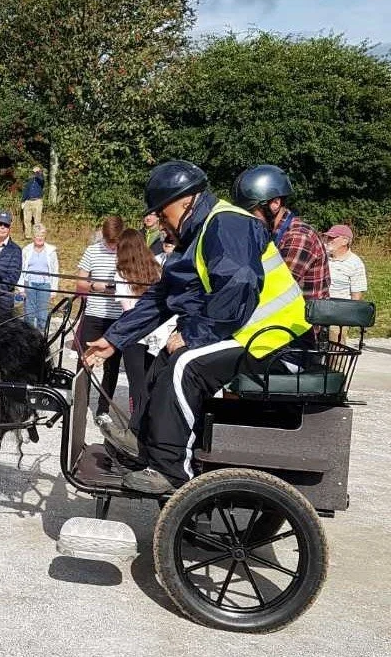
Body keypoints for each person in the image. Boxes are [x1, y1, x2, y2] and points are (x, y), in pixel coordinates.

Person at [85, 160, 310, 494]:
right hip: (247, 334)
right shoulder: (198, 234)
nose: (160, 221)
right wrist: (115, 339)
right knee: (165, 358)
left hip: (278, 343)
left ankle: (172, 471)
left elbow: (238, 285)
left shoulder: (227, 223)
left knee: (186, 364)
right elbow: (163, 295)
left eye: (162, 213)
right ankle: (143, 442)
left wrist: (192, 336)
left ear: (184, 201)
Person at [233, 165, 330, 301]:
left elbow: (274, 287)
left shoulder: (298, 237)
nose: (247, 218)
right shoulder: (270, 233)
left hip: (303, 314)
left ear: (275, 203)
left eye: (251, 211)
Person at [111, 228, 171, 417]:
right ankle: (151, 420)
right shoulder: (157, 267)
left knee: (136, 382)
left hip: (134, 332)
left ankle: (136, 422)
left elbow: (127, 308)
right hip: (157, 331)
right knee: (152, 380)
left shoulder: (122, 273)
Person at [75, 215, 124, 421]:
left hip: (118, 316)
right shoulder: (92, 250)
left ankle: (103, 409)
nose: (112, 246)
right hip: (94, 314)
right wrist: (95, 286)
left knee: (112, 366)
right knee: (85, 361)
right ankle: (80, 406)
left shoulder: (126, 252)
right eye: (109, 241)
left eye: (115, 242)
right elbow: (79, 281)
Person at [324, 224, 367, 343]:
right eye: (328, 237)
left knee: (335, 344)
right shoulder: (322, 255)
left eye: (333, 237)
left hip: (339, 312)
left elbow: (356, 295)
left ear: (345, 241)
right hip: (318, 306)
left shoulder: (355, 263)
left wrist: (348, 318)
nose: (329, 240)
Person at [18, 223, 59, 331]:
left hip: (45, 285)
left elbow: (55, 271)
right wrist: (21, 288)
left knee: (42, 315)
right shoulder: (26, 250)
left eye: (42, 235)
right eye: (37, 235)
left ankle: (41, 336)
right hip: (29, 284)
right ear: (33, 237)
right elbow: (21, 269)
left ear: (45, 236)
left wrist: (53, 290)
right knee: (29, 314)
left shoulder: (51, 251)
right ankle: (28, 336)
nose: (39, 238)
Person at [20, 165, 45, 239]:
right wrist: (23, 201)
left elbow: (41, 178)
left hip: (37, 201)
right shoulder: (29, 181)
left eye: (36, 172)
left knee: (37, 220)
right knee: (27, 220)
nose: (34, 173)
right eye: (34, 172)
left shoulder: (41, 180)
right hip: (28, 201)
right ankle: (28, 236)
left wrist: (38, 171)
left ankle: (37, 235)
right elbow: (25, 191)